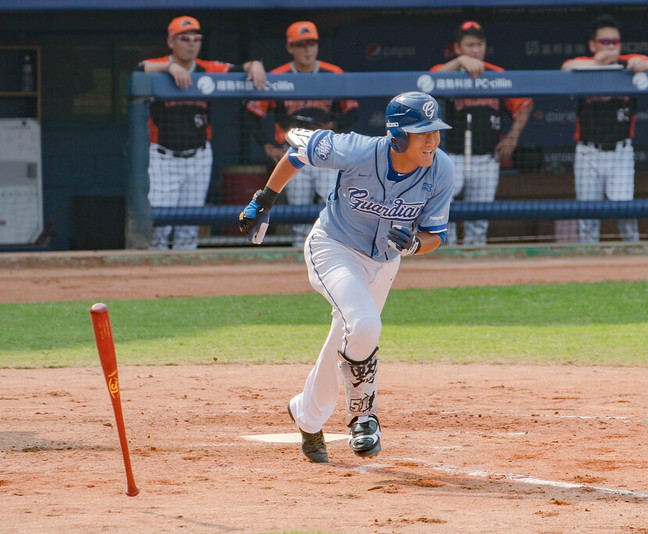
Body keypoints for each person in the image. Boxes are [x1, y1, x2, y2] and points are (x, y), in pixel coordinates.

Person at [238, 92, 454, 462]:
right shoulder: (356, 151)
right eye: (423, 134)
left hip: (385, 262)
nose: (433, 141)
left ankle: (307, 414)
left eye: (435, 132)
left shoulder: (441, 169)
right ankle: (363, 417)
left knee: (349, 333)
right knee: (365, 324)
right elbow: (296, 155)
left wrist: (415, 245)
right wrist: (265, 199)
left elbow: (437, 236)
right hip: (333, 249)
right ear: (398, 136)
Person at [137, 16, 266, 250]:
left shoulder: (208, 68)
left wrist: (254, 64)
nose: (191, 43)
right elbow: (138, 69)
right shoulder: (158, 65)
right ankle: (154, 280)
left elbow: (239, 68)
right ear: (171, 41)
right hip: (163, 157)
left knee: (190, 226)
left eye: (196, 38)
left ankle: (185, 283)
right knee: (158, 225)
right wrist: (169, 67)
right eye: (184, 38)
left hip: (198, 156)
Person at [561, 14, 648, 243]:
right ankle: (588, 261)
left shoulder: (627, 61)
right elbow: (566, 67)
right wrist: (596, 63)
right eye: (605, 42)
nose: (611, 46)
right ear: (593, 45)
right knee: (587, 216)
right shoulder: (584, 65)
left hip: (620, 151)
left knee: (625, 211)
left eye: (615, 42)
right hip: (588, 151)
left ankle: (632, 253)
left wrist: (645, 64)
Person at [245, 21, 359, 248]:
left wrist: (334, 122)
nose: (307, 49)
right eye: (301, 44)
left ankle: (332, 253)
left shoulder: (333, 73)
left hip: (326, 152)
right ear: (290, 47)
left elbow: (352, 111)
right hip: (292, 153)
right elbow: (252, 114)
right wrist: (267, 145)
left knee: (333, 208)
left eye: (311, 43)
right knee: (298, 214)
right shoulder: (277, 76)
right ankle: (299, 258)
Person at [430, 21, 533, 246]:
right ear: (458, 48)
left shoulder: (496, 74)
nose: (476, 49)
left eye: (480, 44)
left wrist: (512, 137)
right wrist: (458, 62)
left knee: (479, 217)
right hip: (452, 158)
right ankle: (448, 255)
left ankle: (475, 257)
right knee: (444, 211)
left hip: (486, 158)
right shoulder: (446, 73)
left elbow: (525, 103)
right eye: (469, 45)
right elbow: (427, 82)